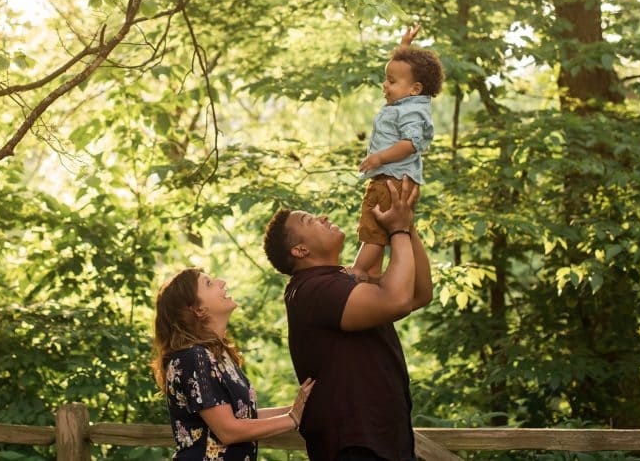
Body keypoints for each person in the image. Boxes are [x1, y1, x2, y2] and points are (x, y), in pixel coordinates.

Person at [263, 178, 433, 461]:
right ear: (300, 250)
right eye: (309, 219)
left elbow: (418, 292)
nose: (323, 217)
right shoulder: (311, 290)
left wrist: (405, 224)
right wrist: (398, 228)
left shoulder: (339, 280)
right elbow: (398, 300)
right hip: (355, 446)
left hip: (384, 442)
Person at [152, 267, 316, 461]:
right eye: (209, 283)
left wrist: (299, 409)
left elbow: (245, 418)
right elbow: (228, 430)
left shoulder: (214, 356)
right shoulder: (192, 357)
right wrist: (291, 418)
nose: (221, 282)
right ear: (198, 309)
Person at [352, 24, 443, 279]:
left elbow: (411, 143)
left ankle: (358, 270)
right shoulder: (408, 100)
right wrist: (404, 45)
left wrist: (379, 157)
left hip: (393, 180)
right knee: (376, 228)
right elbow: (403, 70)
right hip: (393, 179)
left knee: (374, 228)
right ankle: (370, 273)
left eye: (391, 81)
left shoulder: (411, 110)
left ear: (415, 89)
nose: (384, 85)